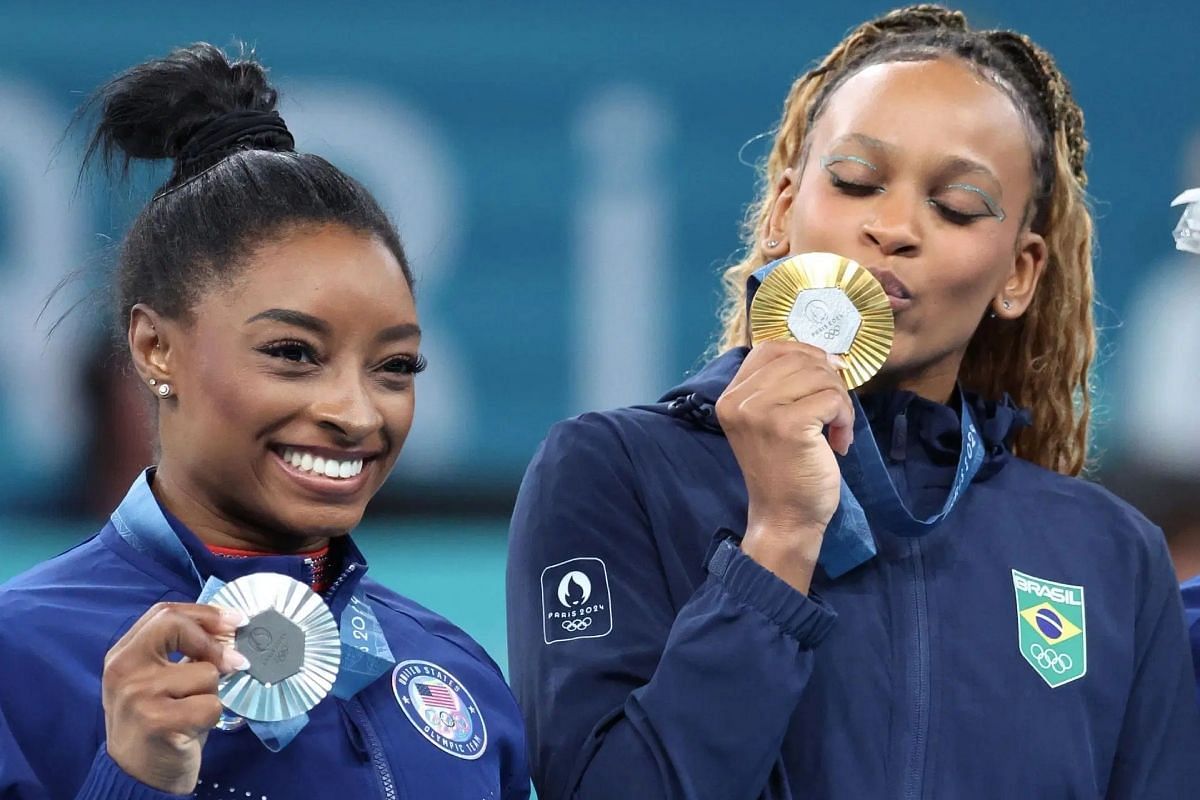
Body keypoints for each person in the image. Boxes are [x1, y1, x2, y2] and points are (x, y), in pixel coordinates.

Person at [507, 5, 1200, 799]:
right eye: (857, 181)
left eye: (958, 206)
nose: (895, 226)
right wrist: (779, 541)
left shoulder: (1109, 555)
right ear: (781, 210)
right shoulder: (614, 473)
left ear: (1020, 273)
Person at [0, 44, 528, 800]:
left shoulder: (459, 674)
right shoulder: (20, 656)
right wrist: (135, 779)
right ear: (157, 348)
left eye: (395, 367)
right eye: (292, 352)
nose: (354, 413)